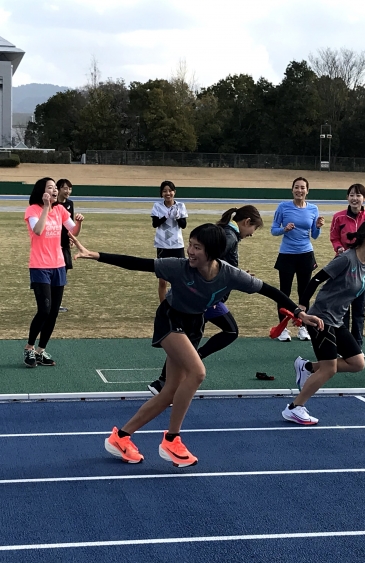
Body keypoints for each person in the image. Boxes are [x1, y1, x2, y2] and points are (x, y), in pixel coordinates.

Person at [69, 223, 322, 466]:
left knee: (169, 391)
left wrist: (300, 314)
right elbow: (139, 264)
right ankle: (171, 439)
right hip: (170, 320)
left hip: (193, 326)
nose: (190, 251)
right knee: (198, 372)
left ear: (212, 252)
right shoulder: (179, 267)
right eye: (190, 245)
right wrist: (95, 254)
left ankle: (121, 437)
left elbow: (270, 291)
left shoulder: (229, 274)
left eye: (197, 247)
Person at [286, 220, 365, 425]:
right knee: (330, 368)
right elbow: (316, 279)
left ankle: (307, 367)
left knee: (357, 363)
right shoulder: (345, 259)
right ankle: (294, 408)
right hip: (321, 318)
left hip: (337, 320)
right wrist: (302, 307)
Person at [147, 205, 264, 395]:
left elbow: (221, 266)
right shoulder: (229, 237)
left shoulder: (230, 234)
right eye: (254, 229)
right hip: (206, 297)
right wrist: (220, 280)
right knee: (230, 330)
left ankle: (164, 381)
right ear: (247, 222)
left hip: (209, 296)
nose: (252, 234)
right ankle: (169, 378)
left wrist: (237, 276)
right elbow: (209, 261)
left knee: (187, 337)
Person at [23, 177, 83, 368]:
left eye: (56, 187)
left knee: (54, 312)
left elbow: (73, 230)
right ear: (42, 191)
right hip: (40, 265)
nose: (55, 190)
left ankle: (41, 351)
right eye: (51, 187)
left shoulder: (61, 210)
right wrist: (46, 207)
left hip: (58, 265)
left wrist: (79, 222)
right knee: (44, 310)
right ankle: (29, 348)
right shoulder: (33, 210)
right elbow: (38, 230)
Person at [271, 177, 325, 342]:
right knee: (284, 293)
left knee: (304, 293)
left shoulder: (313, 209)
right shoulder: (283, 207)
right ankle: (282, 329)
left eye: (302, 188)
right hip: (287, 254)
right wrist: (284, 229)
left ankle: (303, 327)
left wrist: (317, 227)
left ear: (307, 191)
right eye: (296, 187)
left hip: (305, 254)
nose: (299, 191)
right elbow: (274, 230)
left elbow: (314, 236)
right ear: (292, 189)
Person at [329, 183, 365, 350]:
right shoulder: (338, 217)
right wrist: (339, 248)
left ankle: (357, 347)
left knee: (359, 311)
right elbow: (334, 237)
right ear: (347, 197)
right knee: (342, 310)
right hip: (343, 267)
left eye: (358, 195)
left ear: (364, 198)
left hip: (363, 268)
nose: (354, 198)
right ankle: (342, 346)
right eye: (351, 195)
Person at [151, 180, 188, 302]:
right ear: (161, 193)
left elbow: (183, 225)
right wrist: (166, 216)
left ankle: (179, 305)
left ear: (174, 192)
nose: (168, 193)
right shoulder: (157, 206)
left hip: (177, 245)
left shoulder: (180, 206)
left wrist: (177, 217)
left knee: (180, 278)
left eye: (170, 191)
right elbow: (155, 224)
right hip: (162, 245)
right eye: (165, 191)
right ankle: (163, 307)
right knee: (163, 280)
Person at [55, 179, 84, 313]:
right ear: (58, 189)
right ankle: (50, 301)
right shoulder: (52, 204)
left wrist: (72, 238)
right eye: (65, 188)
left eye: (70, 189)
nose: (68, 191)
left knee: (62, 273)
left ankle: (57, 303)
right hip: (53, 242)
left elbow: (70, 223)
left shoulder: (70, 204)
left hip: (65, 243)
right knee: (52, 273)